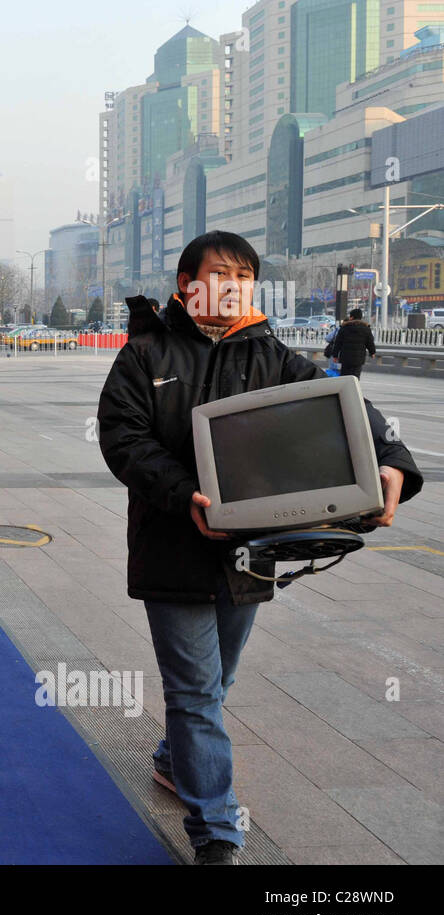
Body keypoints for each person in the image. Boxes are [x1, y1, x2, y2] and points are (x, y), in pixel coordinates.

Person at [96, 231, 422, 865]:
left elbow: (346, 405)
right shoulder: (145, 355)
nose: (232, 286)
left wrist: (393, 461)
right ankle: (217, 833)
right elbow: (123, 438)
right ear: (187, 284)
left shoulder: (271, 356)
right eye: (219, 274)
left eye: (243, 276)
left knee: (216, 681)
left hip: (250, 556)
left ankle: (173, 759)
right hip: (173, 546)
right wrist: (186, 494)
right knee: (194, 691)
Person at [326, 308, 376, 378]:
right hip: (358, 358)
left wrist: (335, 355)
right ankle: (354, 387)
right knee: (355, 376)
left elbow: (338, 343)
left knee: (345, 376)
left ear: (352, 317)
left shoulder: (344, 328)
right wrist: (372, 352)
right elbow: (370, 342)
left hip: (345, 357)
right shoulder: (366, 328)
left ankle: (345, 387)